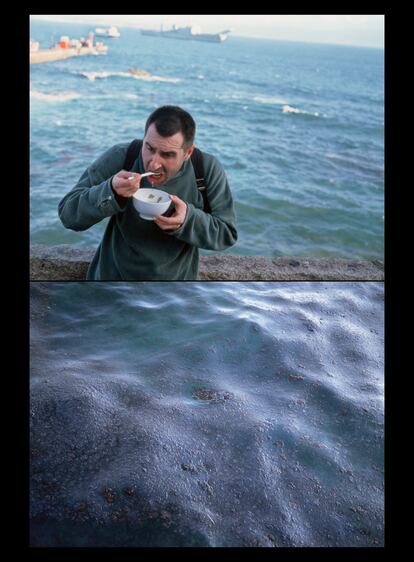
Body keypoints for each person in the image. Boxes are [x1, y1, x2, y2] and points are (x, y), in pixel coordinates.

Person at [58, 105, 238, 280]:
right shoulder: (123, 156)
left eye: (167, 154)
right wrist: (111, 190)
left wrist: (187, 220)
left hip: (174, 290)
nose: (153, 164)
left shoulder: (205, 169)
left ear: (188, 152)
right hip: (111, 281)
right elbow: (68, 214)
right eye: (149, 148)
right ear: (144, 139)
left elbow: (226, 234)